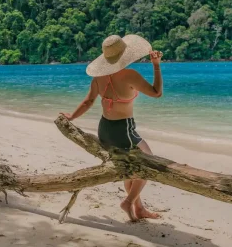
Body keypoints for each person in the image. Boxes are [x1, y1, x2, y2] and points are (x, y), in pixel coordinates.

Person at [61, 34, 163, 221]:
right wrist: (156, 65)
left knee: (128, 167)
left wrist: (72, 116)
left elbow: (89, 101)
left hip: (105, 130)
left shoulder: (99, 78)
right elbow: (156, 93)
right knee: (149, 163)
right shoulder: (130, 75)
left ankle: (139, 209)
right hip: (123, 130)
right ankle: (129, 201)